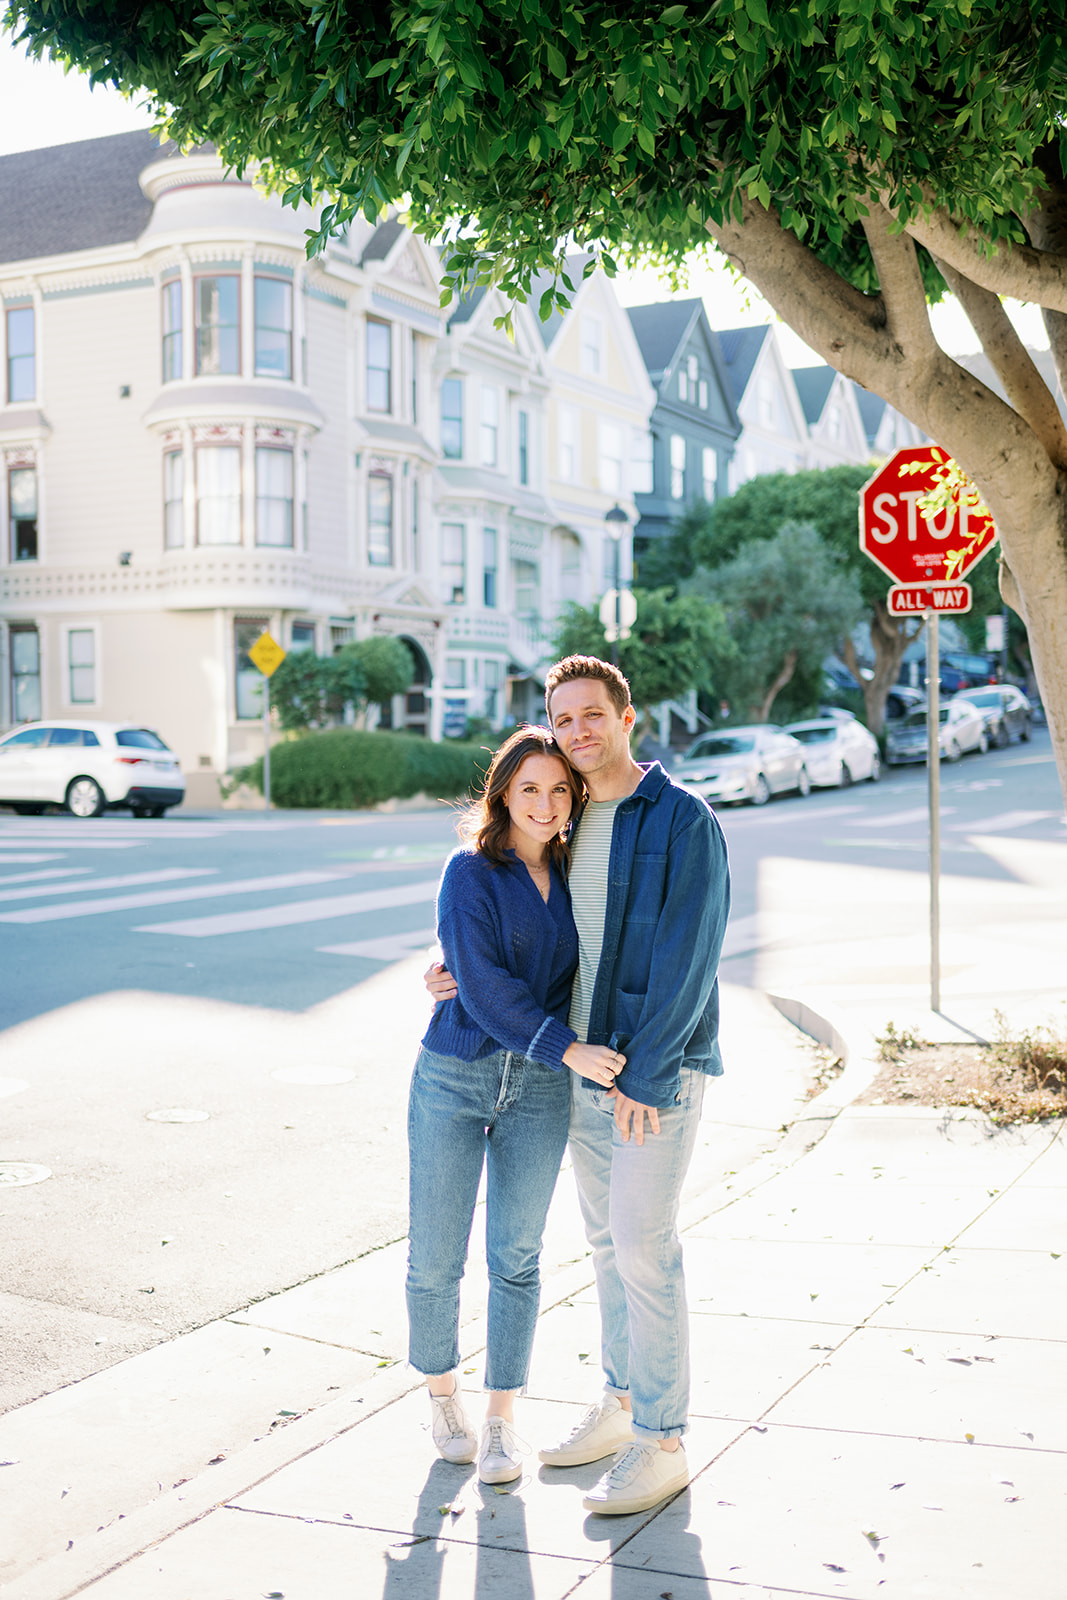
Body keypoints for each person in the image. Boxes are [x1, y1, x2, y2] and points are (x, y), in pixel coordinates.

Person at [427, 656, 729, 1516]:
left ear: (625, 716)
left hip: (648, 1075)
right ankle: (622, 1401)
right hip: (582, 1068)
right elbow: (534, 932)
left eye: (592, 715)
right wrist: (456, 969)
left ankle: (662, 1439)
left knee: (643, 1246)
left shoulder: (680, 820)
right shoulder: (573, 813)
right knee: (603, 1246)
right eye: (563, 720)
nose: (578, 733)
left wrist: (651, 1075)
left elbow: (686, 963)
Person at [407, 726, 625, 1487]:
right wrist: (566, 1047)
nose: (544, 802)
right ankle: (443, 1397)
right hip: (455, 1077)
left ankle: (501, 1418)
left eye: (559, 788)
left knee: (516, 1260)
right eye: (528, 787)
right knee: (435, 1257)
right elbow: (486, 986)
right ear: (502, 791)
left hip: (535, 1092)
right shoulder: (468, 872)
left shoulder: (575, 871)